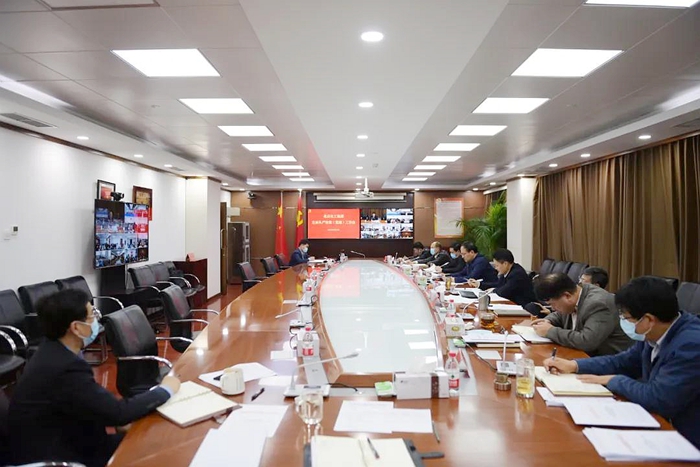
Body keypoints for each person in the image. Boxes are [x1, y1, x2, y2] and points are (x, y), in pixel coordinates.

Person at [8, 289, 180, 467]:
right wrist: (165, 389)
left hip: (71, 434)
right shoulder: (65, 367)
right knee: (160, 444)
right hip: (62, 455)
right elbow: (118, 413)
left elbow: (90, 402)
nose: (97, 320)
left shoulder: (53, 350)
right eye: (92, 316)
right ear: (76, 327)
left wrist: (115, 418)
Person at [543, 277, 700, 449]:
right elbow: (623, 362)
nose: (625, 323)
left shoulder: (691, 344)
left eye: (627, 318)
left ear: (648, 319)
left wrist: (614, 380)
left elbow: (659, 398)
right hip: (659, 423)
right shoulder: (653, 333)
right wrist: (574, 365)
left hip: (686, 439)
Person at [531, 273, 633, 356]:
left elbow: (587, 341)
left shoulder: (598, 304)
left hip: (607, 361)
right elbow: (559, 314)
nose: (552, 308)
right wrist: (548, 321)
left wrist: (550, 331)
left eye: (552, 304)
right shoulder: (575, 293)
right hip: (583, 355)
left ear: (567, 296)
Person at [472, 248, 537, 307]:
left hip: (523, 307)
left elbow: (504, 291)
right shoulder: (507, 271)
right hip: (511, 303)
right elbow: (498, 285)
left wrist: (493, 290)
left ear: (505, 264)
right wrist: (480, 284)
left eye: (497, 265)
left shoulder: (517, 274)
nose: (495, 268)